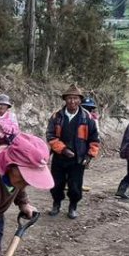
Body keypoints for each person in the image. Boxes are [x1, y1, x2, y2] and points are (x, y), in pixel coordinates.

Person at [46, 84, 101, 219]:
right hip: (60, 157)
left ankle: (73, 206)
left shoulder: (87, 118)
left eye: (75, 98)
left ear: (80, 100)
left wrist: (89, 156)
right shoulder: (56, 116)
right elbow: (50, 136)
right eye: (69, 98)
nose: (72, 101)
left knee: (75, 186)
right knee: (56, 184)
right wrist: (63, 149)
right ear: (65, 99)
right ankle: (56, 204)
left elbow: (94, 139)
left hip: (78, 158)